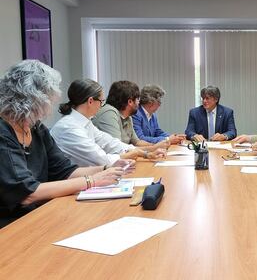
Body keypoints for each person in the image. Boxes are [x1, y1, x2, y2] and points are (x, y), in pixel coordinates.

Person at [0, 60, 133, 227]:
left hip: (38, 214)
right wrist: (92, 180)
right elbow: (27, 193)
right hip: (10, 224)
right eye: (48, 98)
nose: (50, 105)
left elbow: (65, 170)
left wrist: (105, 169)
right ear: (32, 98)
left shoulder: (36, 129)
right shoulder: (3, 132)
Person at [51, 79, 166, 167]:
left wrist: (143, 153)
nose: (102, 105)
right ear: (90, 101)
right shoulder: (69, 127)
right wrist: (134, 154)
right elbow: (101, 159)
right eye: (101, 101)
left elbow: (111, 143)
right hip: (68, 187)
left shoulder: (85, 123)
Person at [93, 81, 170, 150]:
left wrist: (156, 147)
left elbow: (137, 142)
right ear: (130, 101)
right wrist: (153, 148)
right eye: (138, 99)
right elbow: (118, 149)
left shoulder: (128, 116)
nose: (139, 103)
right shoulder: (109, 113)